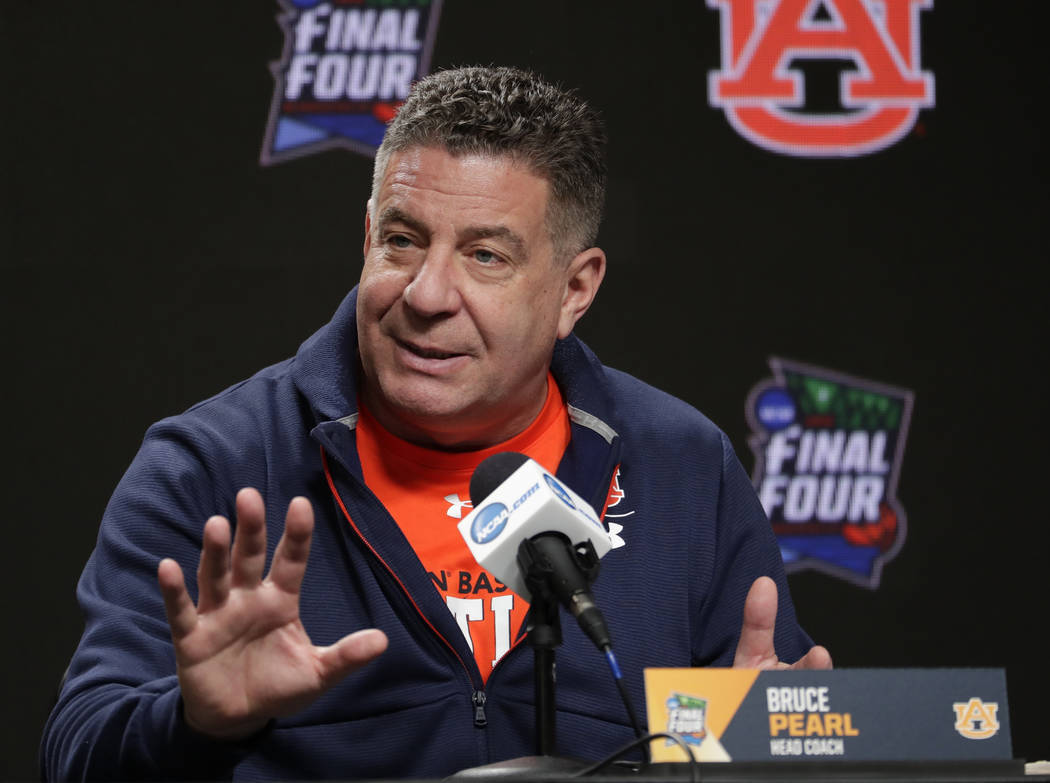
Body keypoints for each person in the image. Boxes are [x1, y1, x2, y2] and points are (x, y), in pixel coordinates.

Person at [41, 66, 830, 781]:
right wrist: (195, 722)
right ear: (366, 237)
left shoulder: (685, 464)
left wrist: (764, 751)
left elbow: (785, 732)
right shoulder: (212, 465)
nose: (425, 293)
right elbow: (74, 752)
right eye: (402, 240)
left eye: (485, 256)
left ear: (574, 290)